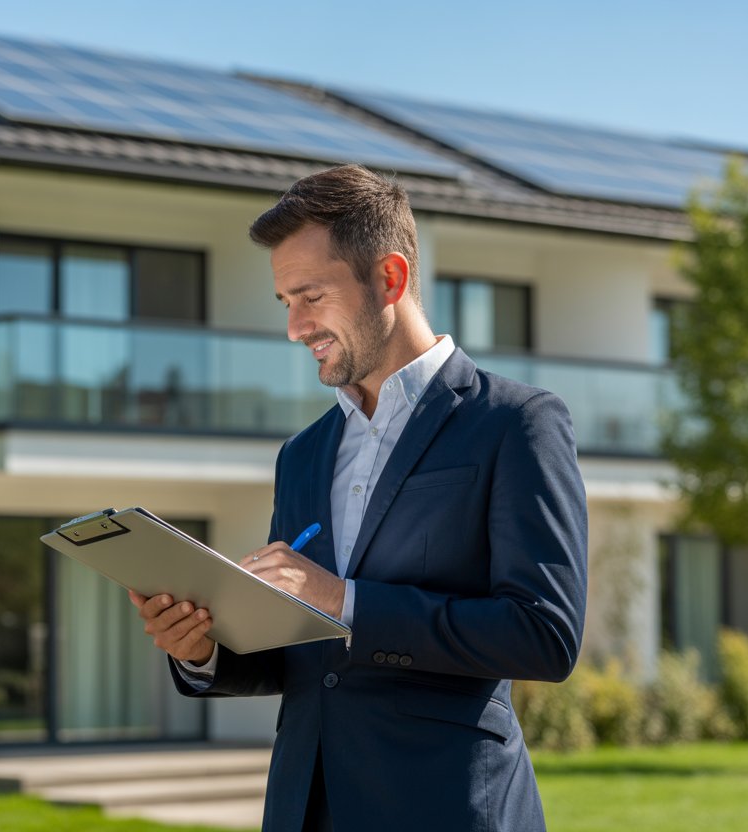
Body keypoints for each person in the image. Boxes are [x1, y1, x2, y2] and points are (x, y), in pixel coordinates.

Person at [128, 164, 587, 831]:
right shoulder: (302, 454)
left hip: (448, 809)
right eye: (285, 302)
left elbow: (544, 635)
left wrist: (343, 600)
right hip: (304, 810)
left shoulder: (516, 423)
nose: (294, 326)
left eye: (310, 296)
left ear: (390, 279)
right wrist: (203, 649)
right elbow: (306, 656)